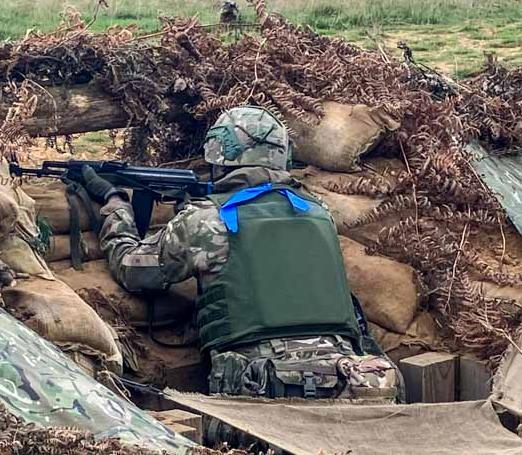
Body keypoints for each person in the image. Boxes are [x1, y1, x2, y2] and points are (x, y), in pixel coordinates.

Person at [76, 106, 400, 442]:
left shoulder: (207, 220)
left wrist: (116, 208)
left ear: (220, 154)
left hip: (260, 393)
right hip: (349, 381)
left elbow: (132, 268)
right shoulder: (319, 213)